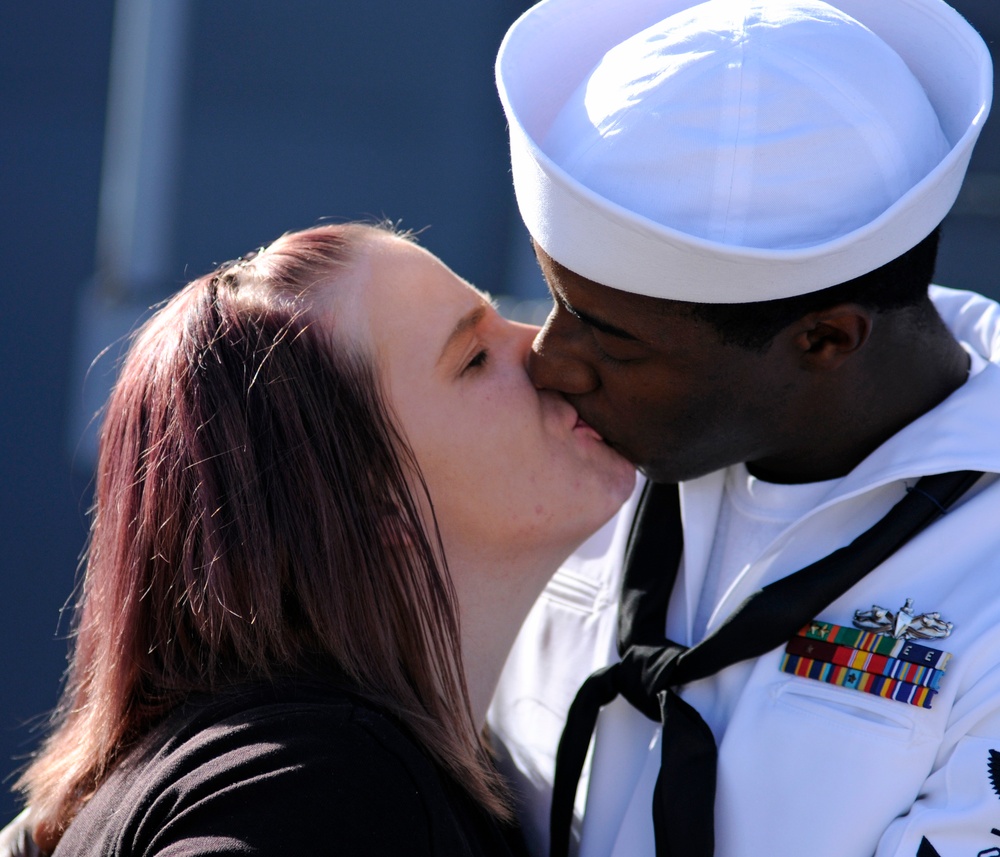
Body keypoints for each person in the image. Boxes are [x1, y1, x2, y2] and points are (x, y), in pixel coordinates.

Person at [487, 0, 1000, 856]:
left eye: (607, 333)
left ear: (824, 339)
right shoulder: (568, 450)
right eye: (556, 301)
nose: (548, 360)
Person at [3, 222, 636, 855]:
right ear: (365, 504)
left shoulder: (304, 771)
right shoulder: (320, 792)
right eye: (473, 357)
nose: (544, 349)